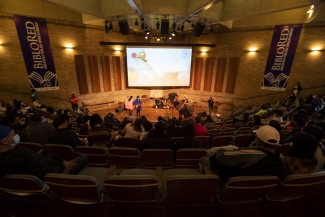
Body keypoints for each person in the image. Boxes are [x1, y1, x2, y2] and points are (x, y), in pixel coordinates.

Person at [200, 126, 284, 182]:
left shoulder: (251, 154)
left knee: (203, 159)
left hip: (228, 184)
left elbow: (221, 157)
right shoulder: (281, 161)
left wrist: (221, 150)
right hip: (256, 191)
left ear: (257, 141)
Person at [0, 125, 88, 179]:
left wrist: (36, 155)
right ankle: (75, 181)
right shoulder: (23, 154)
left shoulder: (9, 157)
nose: (16, 135)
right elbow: (47, 173)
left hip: (28, 182)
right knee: (84, 157)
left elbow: (26, 164)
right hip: (53, 176)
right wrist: (64, 165)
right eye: (13, 134)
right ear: (4, 141)